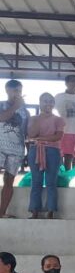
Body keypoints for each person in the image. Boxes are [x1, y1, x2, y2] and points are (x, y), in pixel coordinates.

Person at [26, 93, 65, 219]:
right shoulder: (33, 118)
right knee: (36, 181)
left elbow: (58, 136)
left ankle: (50, 211)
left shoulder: (59, 119)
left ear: (54, 104)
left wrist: (40, 138)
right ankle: (34, 210)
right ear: (39, 102)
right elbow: (31, 134)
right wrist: (39, 118)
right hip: (35, 151)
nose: (48, 103)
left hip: (53, 152)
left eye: (50, 101)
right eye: (44, 101)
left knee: (51, 182)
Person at [0, 79, 29, 218]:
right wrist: (15, 106)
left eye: (19, 91)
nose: (18, 94)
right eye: (15, 90)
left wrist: (28, 153)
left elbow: (27, 133)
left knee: (9, 181)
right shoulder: (1, 105)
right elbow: (1, 118)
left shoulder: (25, 112)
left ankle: (2, 213)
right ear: (7, 90)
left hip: (16, 150)